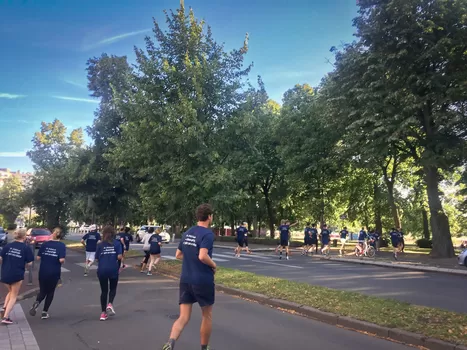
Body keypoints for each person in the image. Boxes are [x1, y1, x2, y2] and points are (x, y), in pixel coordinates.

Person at [162, 203, 216, 350]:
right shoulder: (208, 234)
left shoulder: (187, 233)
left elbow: (178, 255)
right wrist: (213, 265)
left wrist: (191, 257)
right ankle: (204, 348)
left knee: (183, 317)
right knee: (207, 315)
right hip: (202, 280)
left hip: (186, 280)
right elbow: (203, 256)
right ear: (209, 217)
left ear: (197, 216)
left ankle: (170, 343)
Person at [29, 227, 66, 319]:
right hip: (54, 271)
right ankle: (44, 312)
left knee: (42, 290)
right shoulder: (61, 245)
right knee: (50, 292)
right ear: (60, 236)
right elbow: (61, 260)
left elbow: (38, 258)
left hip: (43, 271)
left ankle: (37, 302)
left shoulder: (45, 244)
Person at [0, 228, 34, 324]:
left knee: (10, 291)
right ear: (24, 237)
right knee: (14, 295)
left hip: (5, 273)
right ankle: (6, 317)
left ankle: (4, 308)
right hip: (17, 273)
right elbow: (30, 263)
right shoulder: (26, 248)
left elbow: (0, 258)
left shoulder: (7, 246)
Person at [95, 225, 123, 321]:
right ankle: (110, 303)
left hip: (102, 270)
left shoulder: (100, 244)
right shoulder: (117, 243)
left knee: (104, 291)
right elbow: (119, 257)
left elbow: (97, 259)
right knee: (113, 288)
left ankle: (103, 313)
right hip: (113, 269)